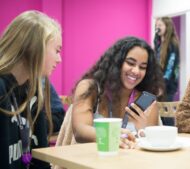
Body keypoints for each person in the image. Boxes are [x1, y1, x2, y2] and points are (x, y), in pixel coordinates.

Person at [72, 36, 165, 147]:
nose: (136, 71)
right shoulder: (90, 88)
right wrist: (113, 135)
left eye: (142, 67)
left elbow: (151, 146)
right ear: (116, 62)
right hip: (94, 160)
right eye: (130, 63)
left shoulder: (146, 102)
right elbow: (80, 132)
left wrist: (144, 131)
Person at [0, 10, 62, 169]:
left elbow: (40, 159)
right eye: (56, 50)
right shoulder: (2, 89)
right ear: (35, 48)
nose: (59, 59)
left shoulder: (33, 91)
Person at [154, 17, 180, 101]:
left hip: (167, 86)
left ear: (167, 27)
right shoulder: (159, 44)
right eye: (156, 25)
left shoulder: (172, 44)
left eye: (160, 25)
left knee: (165, 113)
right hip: (159, 84)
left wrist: (162, 86)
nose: (157, 27)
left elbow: (170, 69)